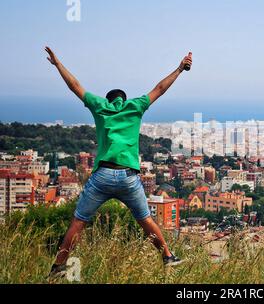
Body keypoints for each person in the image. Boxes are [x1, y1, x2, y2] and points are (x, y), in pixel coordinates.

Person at [44, 46, 192, 278]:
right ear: (123, 99)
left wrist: (57, 63)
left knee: (79, 221)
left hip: (102, 176)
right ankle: (167, 257)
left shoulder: (100, 107)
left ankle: (58, 267)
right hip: (128, 177)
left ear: (109, 100)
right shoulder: (135, 106)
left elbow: (75, 86)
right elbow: (160, 88)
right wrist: (180, 68)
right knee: (146, 220)